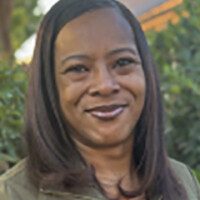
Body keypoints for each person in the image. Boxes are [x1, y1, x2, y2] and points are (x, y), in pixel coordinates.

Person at [0, 0, 200, 199]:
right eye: (78, 68)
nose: (104, 85)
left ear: (146, 71)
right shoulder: (13, 193)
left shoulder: (182, 179)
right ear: (49, 85)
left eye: (123, 62)